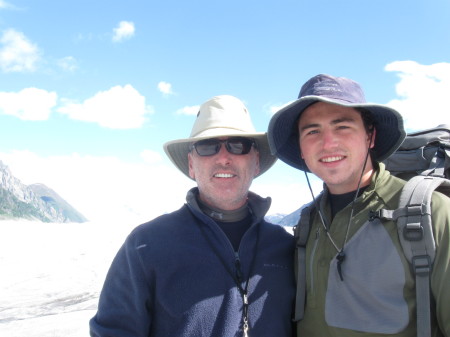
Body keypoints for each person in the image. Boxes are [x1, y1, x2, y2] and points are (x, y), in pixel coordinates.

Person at [89, 95, 296, 337]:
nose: (223, 157)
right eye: (207, 146)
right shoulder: (146, 245)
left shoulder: (286, 247)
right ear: (191, 164)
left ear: (256, 162)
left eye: (238, 145)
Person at [268, 74, 450, 337]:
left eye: (342, 127)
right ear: (300, 148)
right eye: (312, 131)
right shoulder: (309, 222)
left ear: (370, 137)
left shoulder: (431, 213)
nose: (328, 143)